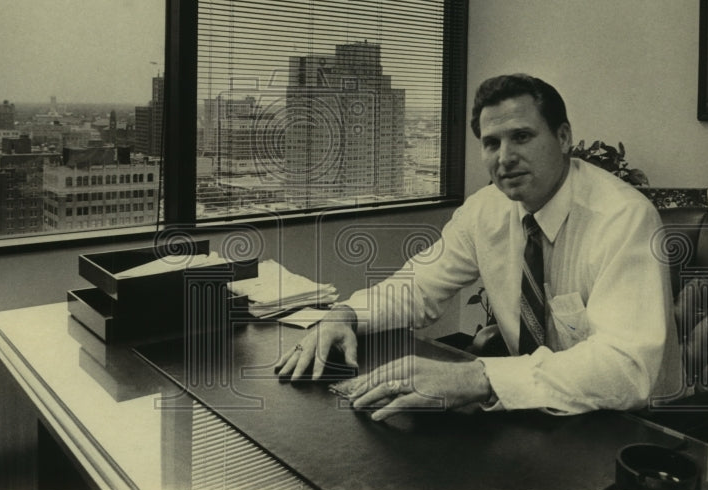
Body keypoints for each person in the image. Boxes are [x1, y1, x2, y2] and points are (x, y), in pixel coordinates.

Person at [275, 73, 682, 420]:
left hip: (635, 428)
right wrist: (343, 314)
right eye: (492, 143)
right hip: (528, 411)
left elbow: (625, 369)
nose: (505, 158)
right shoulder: (486, 209)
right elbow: (418, 287)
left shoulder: (624, 218)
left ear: (562, 137)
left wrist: (477, 377)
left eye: (522, 136)